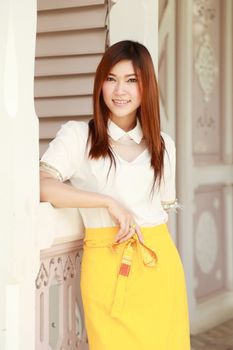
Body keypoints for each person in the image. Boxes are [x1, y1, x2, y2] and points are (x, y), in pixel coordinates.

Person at [40, 40, 191, 350]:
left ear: (146, 86)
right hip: (106, 271)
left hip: (159, 269)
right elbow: (42, 184)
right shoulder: (79, 136)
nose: (119, 90)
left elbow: (159, 215)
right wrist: (106, 202)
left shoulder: (164, 146)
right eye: (111, 78)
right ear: (100, 83)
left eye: (131, 80)